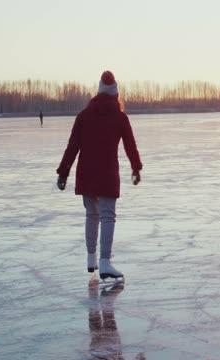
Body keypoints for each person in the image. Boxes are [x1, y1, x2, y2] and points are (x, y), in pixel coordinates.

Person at [56, 70, 142, 281]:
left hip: (86, 173)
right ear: (115, 93)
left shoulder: (84, 116)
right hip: (107, 174)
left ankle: (91, 258)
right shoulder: (120, 117)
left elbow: (72, 147)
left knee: (92, 216)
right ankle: (104, 263)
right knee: (107, 217)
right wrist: (136, 167)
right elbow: (130, 145)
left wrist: (63, 172)